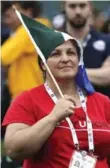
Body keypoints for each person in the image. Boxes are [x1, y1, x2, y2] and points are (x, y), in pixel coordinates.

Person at [2, 11, 110, 168]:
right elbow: (13, 149)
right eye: (56, 54)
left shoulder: (103, 102)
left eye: (71, 53)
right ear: (43, 64)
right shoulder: (27, 99)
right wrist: (53, 118)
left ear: (78, 61)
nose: (65, 58)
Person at [53, 0, 110, 97]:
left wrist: (68, 71)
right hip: (65, 108)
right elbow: (50, 75)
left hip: (102, 109)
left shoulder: (107, 41)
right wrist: (95, 74)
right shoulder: (54, 42)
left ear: (90, 7)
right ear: (64, 8)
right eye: (72, 6)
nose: (78, 11)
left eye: (82, 6)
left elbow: (107, 76)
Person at [1, 1, 51, 99]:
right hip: (36, 93)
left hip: (29, 95)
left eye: (15, 10)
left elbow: (3, 57)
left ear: (28, 12)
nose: (9, 14)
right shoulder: (39, 26)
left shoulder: (29, 29)